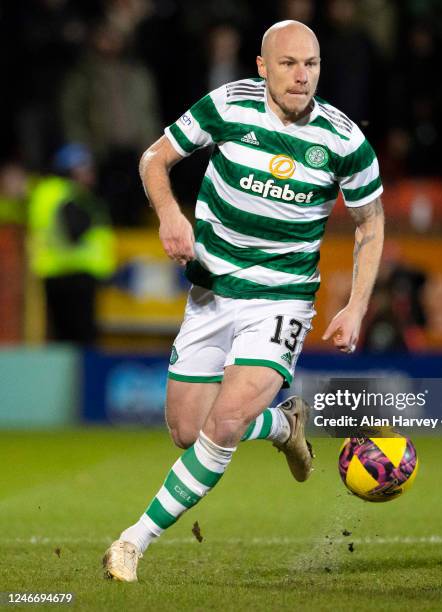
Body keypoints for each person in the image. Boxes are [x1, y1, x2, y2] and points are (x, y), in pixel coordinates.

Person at [103, 20, 385, 582]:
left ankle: (133, 541)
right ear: (262, 67)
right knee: (189, 431)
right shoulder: (227, 106)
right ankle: (282, 426)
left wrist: (356, 305)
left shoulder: (344, 139)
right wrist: (169, 213)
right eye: (288, 64)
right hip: (213, 291)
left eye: (311, 64)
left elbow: (370, 223)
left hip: (280, 300)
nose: (302, 75)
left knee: (226, 422)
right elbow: (152, 159)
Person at [27, 143, 116, 344]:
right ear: (74, 169)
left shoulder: (45, 193)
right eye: (87, 169)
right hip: (76, 275)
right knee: (82, 338)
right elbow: (74, 232)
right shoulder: (71, 195)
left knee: (60, 337)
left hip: (52, 273)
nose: (91, 175)